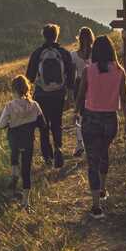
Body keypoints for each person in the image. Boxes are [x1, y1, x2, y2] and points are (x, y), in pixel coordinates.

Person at [75, 35, 126, 219]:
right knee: (104, 152)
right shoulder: (120, 71)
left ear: (95, 52)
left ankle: (96, 207)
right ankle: (103, 188)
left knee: (93, 160)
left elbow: (81, 95)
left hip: (91, 119)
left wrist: (76, 112)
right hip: (110, 120)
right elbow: (125, 99)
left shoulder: (89, 71)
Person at [26, 23, 75, 168]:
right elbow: (71, 74)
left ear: (44, 35)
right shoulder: (64, 53)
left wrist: (28, 97)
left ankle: (47, 157)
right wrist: (70, 94)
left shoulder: (37, 53)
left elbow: (29, 77)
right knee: (57, 123)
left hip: (41, 95)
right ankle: (58, 149)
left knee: (43, 126)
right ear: (56, 35)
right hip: (59, 94)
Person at [0, 75, 45, 209]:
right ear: (27, 88)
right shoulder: (35, 105)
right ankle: (25, 201)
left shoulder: (9, 106)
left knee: (14, 155)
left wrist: (11, 122)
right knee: (26, 170)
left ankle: (14, 173)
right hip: (28, 140)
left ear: (14, 90)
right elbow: (42, 124)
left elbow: (1, 125)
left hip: (15, 139)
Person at [72, 27, 94, 157]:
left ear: (79, 38)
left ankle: (80, 143)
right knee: (91, 113)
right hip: (93, 85)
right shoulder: (96, 54)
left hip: (78, 85)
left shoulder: (74, 56)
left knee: (79, 114)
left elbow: (72, 75)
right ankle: (90, 141)